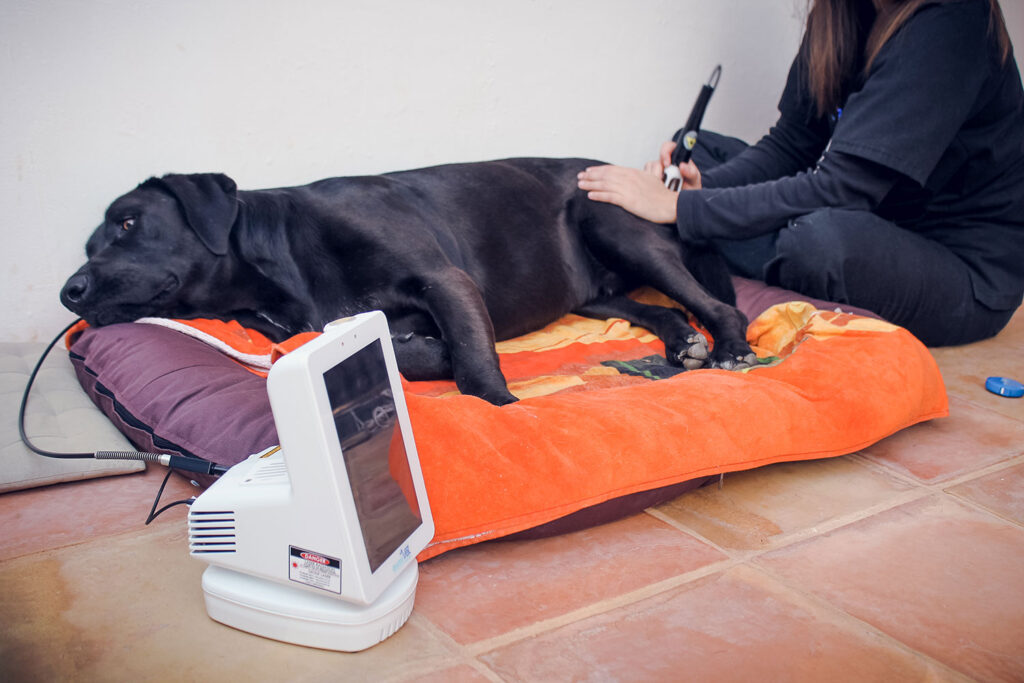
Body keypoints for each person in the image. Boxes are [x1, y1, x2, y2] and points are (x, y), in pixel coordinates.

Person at [576, 0, 1024, 346]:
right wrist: (705, 187)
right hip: (878, 218)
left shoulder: (951, 22)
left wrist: (680, 207)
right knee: (700, 151)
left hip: (965, 272)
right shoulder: (845, 14)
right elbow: (791, 144)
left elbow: (843, 188)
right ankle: (702, 234)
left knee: (817, 241)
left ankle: (690, 239)